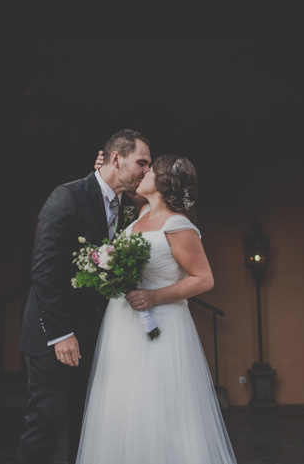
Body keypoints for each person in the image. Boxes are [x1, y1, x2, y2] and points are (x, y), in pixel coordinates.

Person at [75, 154, 237, 464]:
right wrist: (104, 169)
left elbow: (204, 279)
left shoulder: (178, 225)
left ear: (163, 184)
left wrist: (154, 298)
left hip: (161, 328)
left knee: (158, 407)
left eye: (150, 170)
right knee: (123, 406)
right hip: (122, 327)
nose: (144, 173)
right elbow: (115, 188)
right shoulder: (141, 213)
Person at [17, 129, 153, 464]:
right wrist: (61, 333)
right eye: (142, 163)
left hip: (95, 338)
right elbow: (43, 271)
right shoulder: (67, 197)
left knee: (88, 425)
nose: (146, 173)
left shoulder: (128, 208)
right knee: (44, 424)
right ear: (116, 158)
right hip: (54, 337)